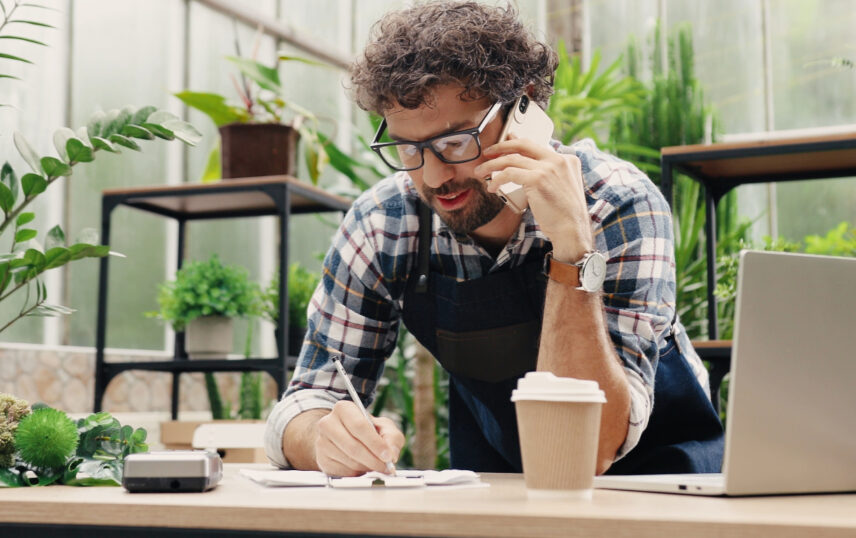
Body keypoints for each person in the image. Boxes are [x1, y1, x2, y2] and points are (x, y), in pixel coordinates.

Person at [264, 0, 723, 477]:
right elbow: (308, 399)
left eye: (457, 141)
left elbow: (589, 451)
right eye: (408, 148)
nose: (436, 175)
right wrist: (325, 439)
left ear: (523, 105)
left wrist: (572, 250)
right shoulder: (386, 223)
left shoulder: (617, 204)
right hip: (500, 487)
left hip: (662, 487)